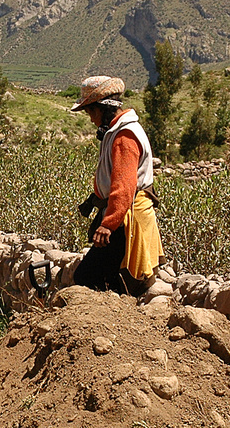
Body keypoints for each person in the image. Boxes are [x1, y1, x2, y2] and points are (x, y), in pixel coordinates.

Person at [68, 75, 163, 296]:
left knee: (88, 277)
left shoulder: (124, 137)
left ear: (103, 109)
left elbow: (124, 185)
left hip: (125, 220)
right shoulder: (116, 132)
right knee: (109, 278)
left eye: (91, 112)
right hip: (121, 216)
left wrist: (108, 224)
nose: (91, 119)